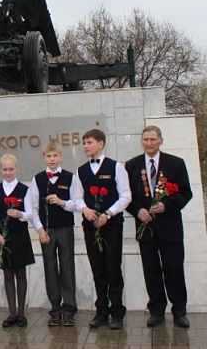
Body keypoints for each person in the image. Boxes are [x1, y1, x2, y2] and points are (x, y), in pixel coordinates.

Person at [125, 126, 193, 329]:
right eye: (145, 139)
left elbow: (185, 193)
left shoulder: (176, 164)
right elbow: (127, 197)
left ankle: (179, 311)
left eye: (153, 139)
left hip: (170, 228)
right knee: (151, 270)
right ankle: (156, 310)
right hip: (145, 229)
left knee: (174, 269)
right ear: (141, 141)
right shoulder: (132, 166)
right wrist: (137, 211)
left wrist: (167, 205)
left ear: (161, 141)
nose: (149, 143)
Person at [78, 128, 131, 330]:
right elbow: (77, 197)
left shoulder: (116, 167)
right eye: (84, 143)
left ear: (100, 144)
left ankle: (117, 311)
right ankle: (101, 311)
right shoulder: (81, 170)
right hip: (91, 226)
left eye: (89, 142)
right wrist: (85, 209)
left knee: (113, 268)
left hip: (112, 226)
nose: (85, 146)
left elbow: (126, 196)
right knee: (97, 269)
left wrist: (108, 214)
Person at [28, 141, 81, 327]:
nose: (52, 159)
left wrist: (62, 202)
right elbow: (33, 208)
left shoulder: (70, 177)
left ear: (61, 157)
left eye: (55, 155)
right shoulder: (38, 179)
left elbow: (77, 203)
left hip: (65, 228)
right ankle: (55, 309)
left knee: (67, 267)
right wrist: (40, 229)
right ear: (44, 158)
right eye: (48, 156)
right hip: (47, 231)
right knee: (50, 268)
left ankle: (69, 309)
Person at [0, 153, 35, 328]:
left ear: (17, 169)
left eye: (11, 169)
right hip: (3, 238)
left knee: (20, 274)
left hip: (19, 235)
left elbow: (31, 214)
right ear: (0, 170)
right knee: (7, 274)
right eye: (5, 169)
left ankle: (22, 313)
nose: (8, 172)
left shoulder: (25, 189)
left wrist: (20, 214)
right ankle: (12, 314)